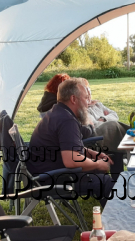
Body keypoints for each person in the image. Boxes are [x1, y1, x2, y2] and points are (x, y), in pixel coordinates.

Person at [27, 78, 122, 208]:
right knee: (105, 181)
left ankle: (108, 218)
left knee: (100, 175)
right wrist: (98, 164)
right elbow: (71, 160)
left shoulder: (58, 113)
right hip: (52, 178)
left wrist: (92, 153)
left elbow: (67, 147)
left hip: (45, 174)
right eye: (85, 98)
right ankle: (115, 222)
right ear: (73, 99)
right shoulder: (67, 120)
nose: (87, 103)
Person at [82, 81, 129, 152]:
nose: (89, 97)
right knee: (113, 125)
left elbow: (115, 115)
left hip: (106, 131)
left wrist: (104, 118)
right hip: (97, 134)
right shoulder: (83, 110)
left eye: (90, 93)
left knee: (115, 126)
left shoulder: (98, 105)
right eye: (86, 95)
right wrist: (105, 118)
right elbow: (95, 125)